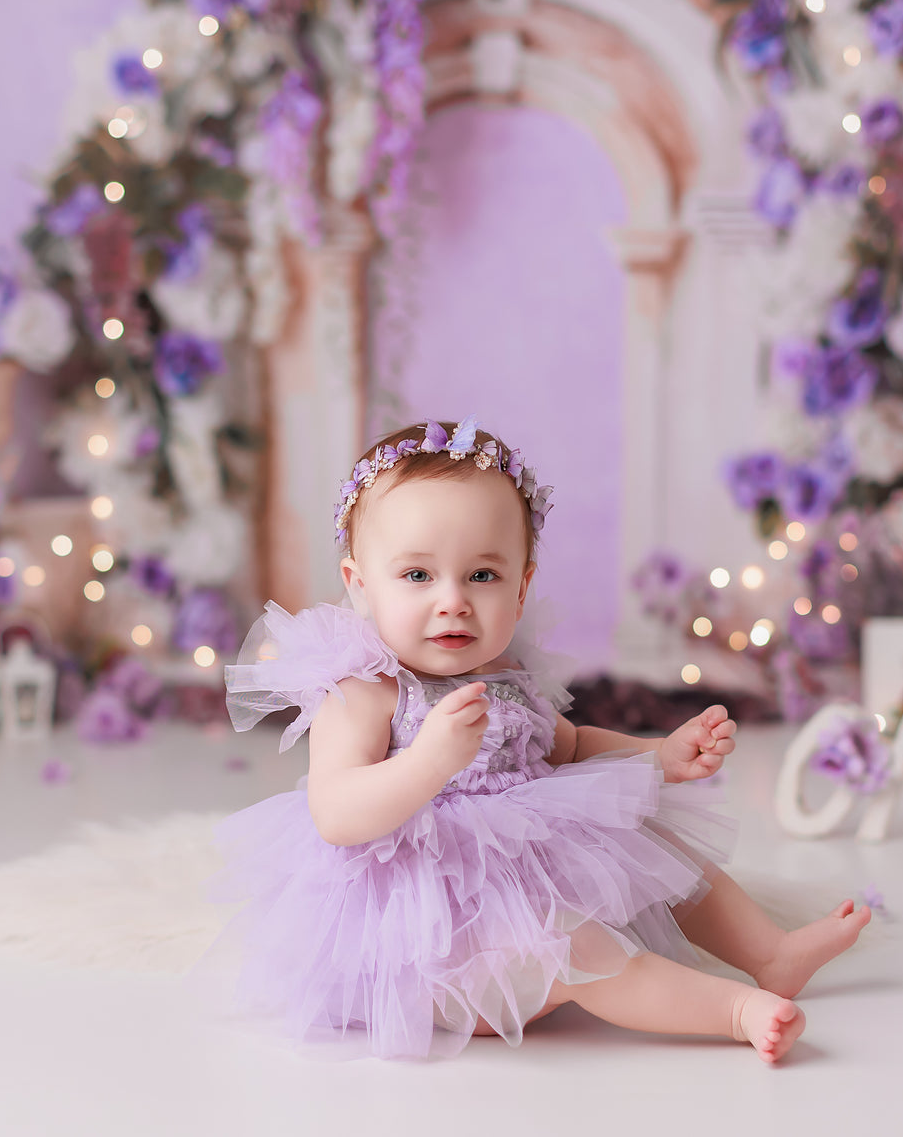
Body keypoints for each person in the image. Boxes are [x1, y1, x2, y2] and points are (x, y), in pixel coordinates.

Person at [220, 417, 869, 1061]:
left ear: (522, 585)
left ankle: (771, 954)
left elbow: (570, 746)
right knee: (579, 950)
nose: (452, 601)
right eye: (417, 575)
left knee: (658, 844)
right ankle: (732, 1011)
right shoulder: (365, 692)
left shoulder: (506, 676)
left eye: (482, 575)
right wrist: (426, 763)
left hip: (524, 872)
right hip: (440, 942)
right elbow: (336, 814)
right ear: (359, 585)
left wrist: (658, 756)